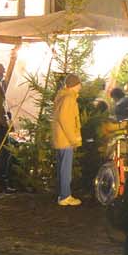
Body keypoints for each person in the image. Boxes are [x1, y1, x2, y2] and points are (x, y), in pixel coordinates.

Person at [51, 74, 83, 206]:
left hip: (60, 138)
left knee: (62, 168)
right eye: (79, 83)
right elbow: (66, 121)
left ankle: (62, 194)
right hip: (65, 140)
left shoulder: (62, 96)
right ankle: (65, 196)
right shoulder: (69, 98)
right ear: (75, 85)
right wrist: (73, 139)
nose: (81, 86)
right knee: (65, 169)